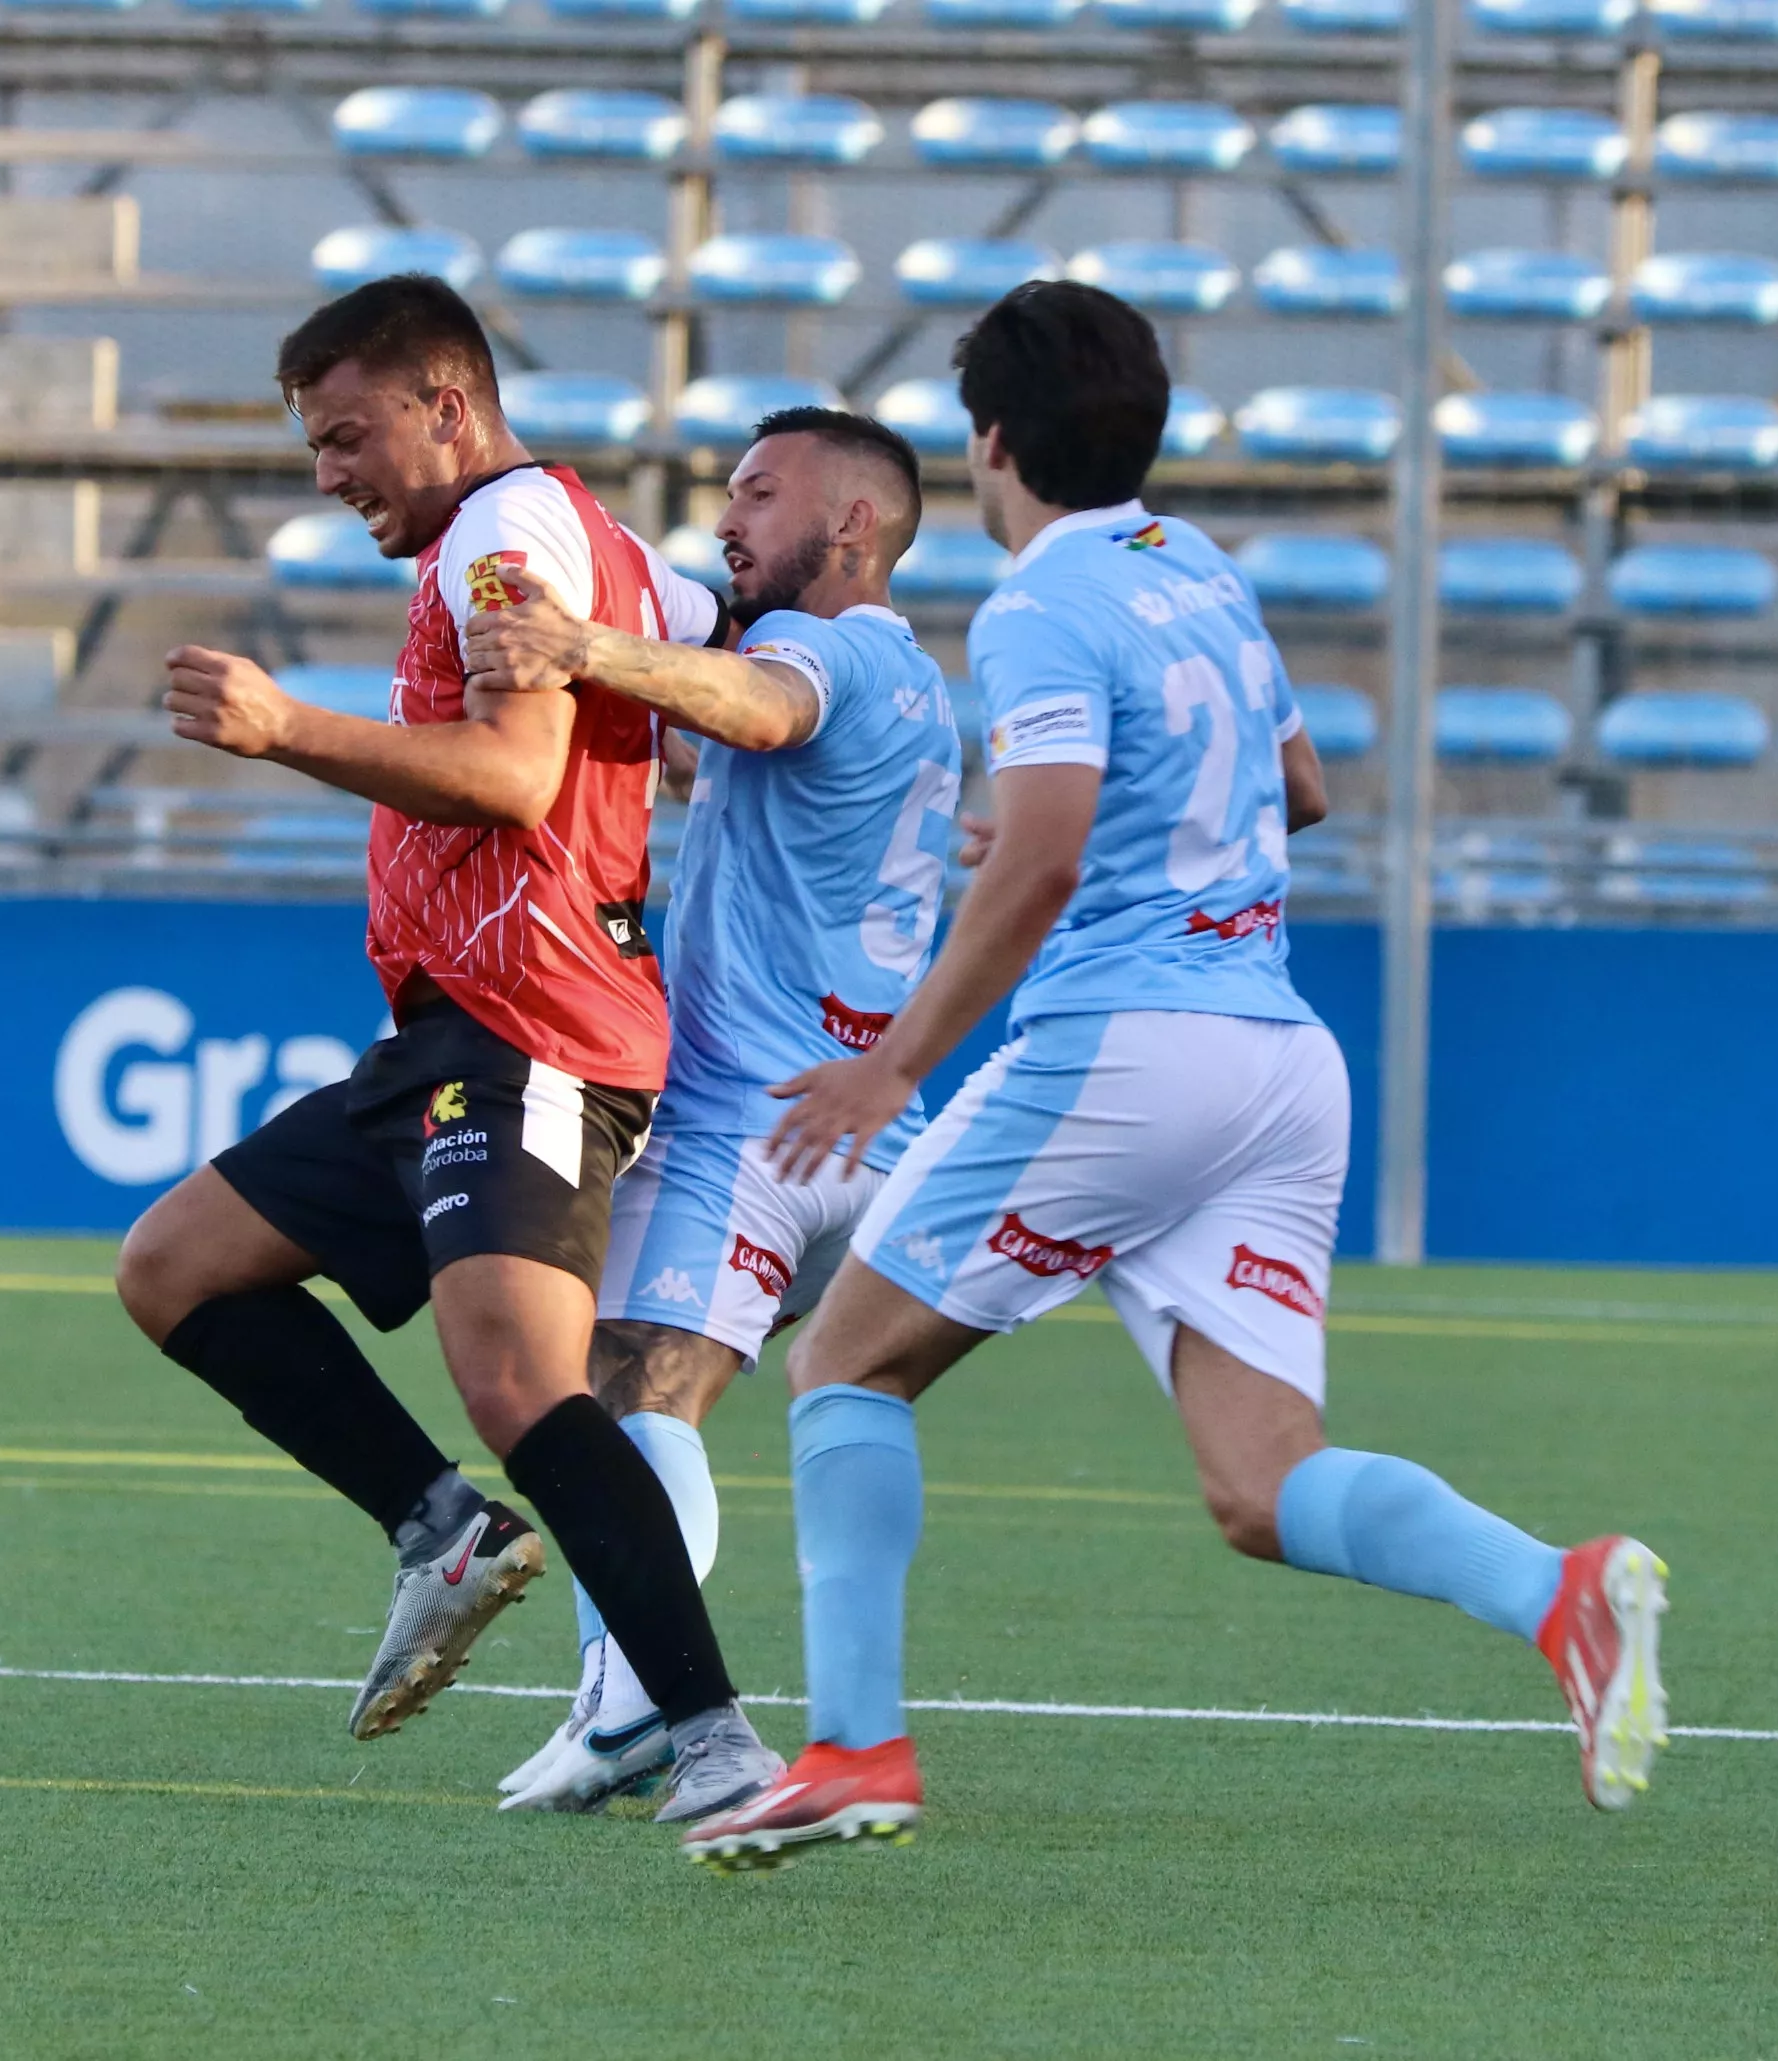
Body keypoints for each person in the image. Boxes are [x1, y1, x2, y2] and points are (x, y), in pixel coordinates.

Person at [677, 282, 1671, 1871]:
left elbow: (1054, 854)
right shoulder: (1192, 566)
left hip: (1124, 1052)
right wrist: (1081, 826)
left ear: (988, 441)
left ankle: (857, 1751)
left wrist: (891, 1065)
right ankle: (1558, 1591)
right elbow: (1296, 787)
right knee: (1261, 1488)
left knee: (844, 1366)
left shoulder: (1034, 606)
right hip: (1274, 1061)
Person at [111, 274, 779, 1826]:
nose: (328, 474)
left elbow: (508, 775)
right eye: (311, 447)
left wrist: (287, 729)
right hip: (449, 1033)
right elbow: (710, 637)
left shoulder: (505, 531)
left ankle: (716, 1740)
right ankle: (440, 1535)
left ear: (446, 406)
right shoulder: (581, 542)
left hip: (538, 1030)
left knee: (520, 1384)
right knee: (174, 1268)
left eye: (347, 436)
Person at [459, 407, 965, 1811]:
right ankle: (645, 1701)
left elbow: (760, 704)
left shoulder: (829, 648)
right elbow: (733, 748)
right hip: (859, 1141)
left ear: (852, 524)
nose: (729, 516)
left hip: (753, 1123)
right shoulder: (913, 683)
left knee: (619, 1387)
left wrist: (583, 649)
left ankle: (633, 1705)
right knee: (655, 1387)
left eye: (760, 491)